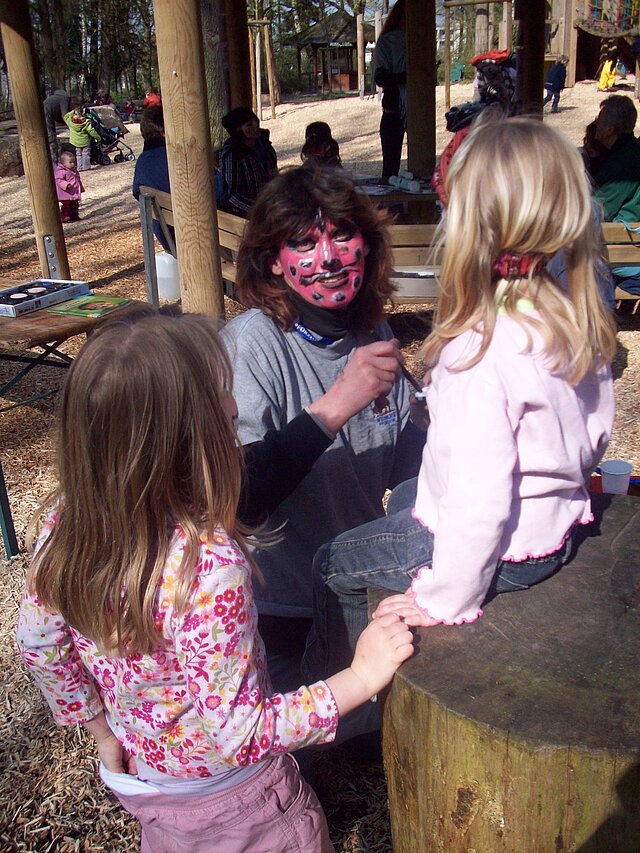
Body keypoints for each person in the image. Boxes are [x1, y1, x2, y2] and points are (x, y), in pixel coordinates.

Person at [16, 308, 414, 853]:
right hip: (244, 809)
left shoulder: (67, 519)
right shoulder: (207, 565)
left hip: (152, 792)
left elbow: (38, 642)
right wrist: (361, 677)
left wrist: (100, 729)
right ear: (185, 442)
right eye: (226, 420)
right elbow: (243, 732)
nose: (235, 413)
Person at [302, 116, 617, 685]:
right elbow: (592, 436)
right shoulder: (573, 315)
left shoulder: (482, 352)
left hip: (505, 545)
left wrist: (446, 597)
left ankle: (338, 712)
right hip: (556, 520)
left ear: (467, 226)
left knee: (333, 564)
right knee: (406, 493)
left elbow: (479, 505)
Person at [221, 166, 425, 699]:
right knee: (298, 763)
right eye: (304, 243)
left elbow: (409, 471)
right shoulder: (252, 346)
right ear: (272, 261)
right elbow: (238, 498)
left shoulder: (372, 333)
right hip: (277, 613)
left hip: (363, 591)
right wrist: (336, 405)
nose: (329, 258)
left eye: (340, 234)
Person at [132, 105, 228, 253]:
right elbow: (221, 193)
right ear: (165, 130)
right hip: (207, 238)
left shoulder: (143, 163)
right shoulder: (180, 156)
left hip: (172, 241)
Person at [584, 95, 640, 295]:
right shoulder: (628, 152)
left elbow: (598, 209)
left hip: (626, 253)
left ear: (609, 129)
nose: (596, 123)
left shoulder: (625, 162)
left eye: (600, 119)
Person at [219, 107, 278, 217]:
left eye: (255, 121)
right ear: (238, 129)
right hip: (245, 214)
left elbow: (275, 177)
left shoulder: (266, 147)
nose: (256, 125)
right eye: (249, 124)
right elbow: (231, 195)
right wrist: (258, 210)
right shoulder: (233, 154)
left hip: (270, 206)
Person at [372, 0, 406, 179]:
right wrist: (407, 76)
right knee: (390, 168)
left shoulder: (420, 41)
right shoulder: (388, 42)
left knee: (421, 168)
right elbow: (380, 78)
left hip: (415, 110)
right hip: (393, 110)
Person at [63, 98, 101, 172]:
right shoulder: (86, 122)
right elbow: (91, 131)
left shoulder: (70, 122)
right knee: (86, 154)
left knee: (78, 155)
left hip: (76, 142)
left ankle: (79, 167)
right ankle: (86, 167)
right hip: (85, 141)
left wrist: (72, 112)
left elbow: (65, 117)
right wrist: (98, 138)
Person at [54, 149, 84, 223]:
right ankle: (65, 217)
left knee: (75, 205)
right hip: (65, 193)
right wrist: (66, 185)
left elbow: (77, 180)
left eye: (74, 162)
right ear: (63, 163)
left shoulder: (74, 170)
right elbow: (58, 180)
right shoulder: (61, 171)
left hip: (73, 192)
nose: (73, 164)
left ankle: (74, 216)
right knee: (67, 206)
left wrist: (80, 187)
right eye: (70, 162)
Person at [43, 88, 69, 165]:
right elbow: (65, 115)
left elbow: (58, 118)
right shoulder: (64, 98)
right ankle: (55, 165)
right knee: (51, 140)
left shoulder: (53, 98)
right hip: (46, 118)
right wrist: (72, 125)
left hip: (44, 116)